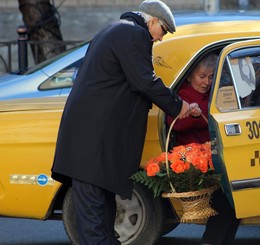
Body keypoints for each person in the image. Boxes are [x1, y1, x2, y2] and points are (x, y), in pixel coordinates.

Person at [51, 0, 192, 244]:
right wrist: (179, 106)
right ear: (153, 21)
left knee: (102, 217)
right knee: (95, 224)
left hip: (93, 144)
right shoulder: (134, 34)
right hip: (93, 146)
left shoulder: (115, 28)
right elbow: (145, 81)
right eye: (164, 31)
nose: (160, 39)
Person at [167, 53, 241, 245]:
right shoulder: (182, 96)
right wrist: (192, 113)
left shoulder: (214, 93)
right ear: (190, 75)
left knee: (233, 204)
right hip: (194, 163)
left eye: (211, 77)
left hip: (214, 157)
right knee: (224, 203)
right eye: (202, 76)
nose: (206, 82)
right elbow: (175, 125)